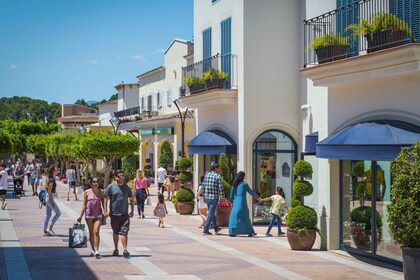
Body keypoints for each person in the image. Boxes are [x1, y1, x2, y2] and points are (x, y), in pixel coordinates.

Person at [103, 170, 134, 258]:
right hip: (114, 214)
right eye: (120, 176)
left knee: (124, 232)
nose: (122, 177)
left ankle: (125, 249)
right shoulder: (111, 187)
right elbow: (106, 199)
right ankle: (116, 249)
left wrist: (132, 210)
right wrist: (105, 210)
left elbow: (131, 198)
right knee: (115, 232)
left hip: (124, 214)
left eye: (123, 176)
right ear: (115, 177)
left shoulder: (127, 187)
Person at [77, 177, 104, 259]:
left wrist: (105, 211)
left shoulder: (101, 192)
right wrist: (80, 216)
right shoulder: (86, 192)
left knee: (96, 232)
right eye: (94, 182)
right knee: (91, 232)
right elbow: (84, 204)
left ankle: (97, 251)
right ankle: (92, 249)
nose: (96, 183)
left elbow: (103, 202)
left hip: (98, 214)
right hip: (89, 214)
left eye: (97, 182)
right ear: (91, 183)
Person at [228, 171, 261, 237]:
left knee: (234, 216)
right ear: (242, 177)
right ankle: (250, 231)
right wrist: (257, 197)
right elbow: (250, 192)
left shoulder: (234, 184)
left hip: (236, 201)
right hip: (242, 201)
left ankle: (232, 231)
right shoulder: (244, 184)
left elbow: (231, 195)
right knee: (245, 216)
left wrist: (231, 202)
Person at [202, 162, 225, 235]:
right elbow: (220, 187)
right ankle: (206, 229)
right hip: (214, 197)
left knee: (211, 212)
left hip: (207, 197)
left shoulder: (207, 175)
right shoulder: (217, 177)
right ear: (216, 168)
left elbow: (203, 186)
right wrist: (223, 197)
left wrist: (204, 196)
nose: (220, 170)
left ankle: (216, 227)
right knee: (211, 213)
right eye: (219, 168)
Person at [44, 166, 61, 236]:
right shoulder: (51, 180)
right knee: (58, 213)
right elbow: (50, 191)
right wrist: (51, 202)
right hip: (50, 198)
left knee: (48, 215)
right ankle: (50, 227)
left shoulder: (52, 179)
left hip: (49, 198)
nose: (57, 170)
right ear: (53, 171)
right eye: (56, 169)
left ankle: (45, 229)